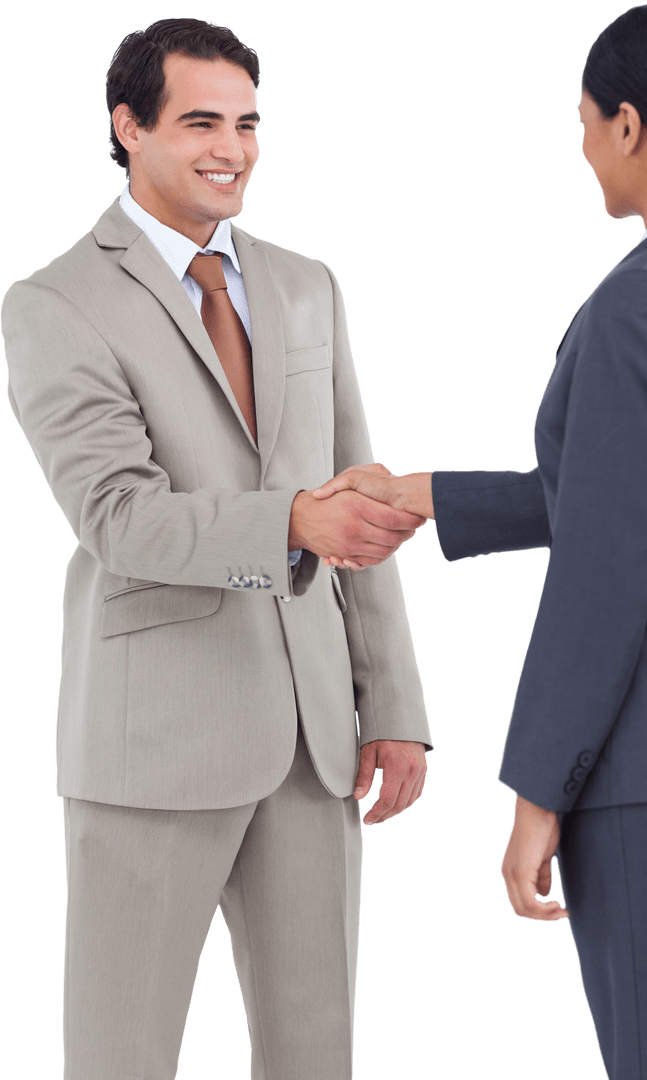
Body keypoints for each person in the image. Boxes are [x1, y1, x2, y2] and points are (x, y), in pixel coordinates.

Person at [312, 3, 647, 1077]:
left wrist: (541, 794)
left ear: (630, 126)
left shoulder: (644, 299)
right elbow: (624, 497)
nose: (580, 143)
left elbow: (610, 566)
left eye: (583, 121)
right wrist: (423, 494)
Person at [0, 17, 433, 1080]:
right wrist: (289, 522)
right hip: (156, 738)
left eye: (246, 125)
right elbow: (116, 515)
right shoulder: (55, 303)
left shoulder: (304, 285)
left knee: (314, 1051)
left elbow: (359, 498)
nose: (230, 149)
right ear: (128, 126)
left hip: (313, 736)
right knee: (122, 1056)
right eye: (200, 122)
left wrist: (396, 708)